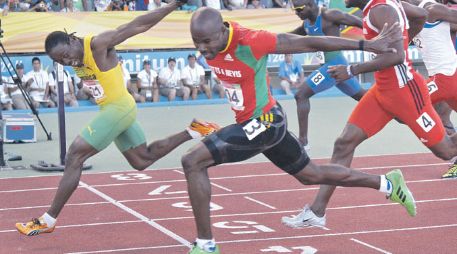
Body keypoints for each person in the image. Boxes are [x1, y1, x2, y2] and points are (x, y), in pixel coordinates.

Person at [182, 7, 414, 254]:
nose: (202, 49)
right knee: (310, 175)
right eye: (197, 42)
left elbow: (308, 42)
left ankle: (206, 245)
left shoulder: (250, 40)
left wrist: (365, 45)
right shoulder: (212, 43)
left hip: (266, 122)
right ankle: (387, 183)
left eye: (207, 42)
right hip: (261, 123)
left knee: (192, 161)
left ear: (221, 30)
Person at [15, 1, 220, 237]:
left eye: (65, 56)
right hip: (113, 110)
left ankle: (48, 219)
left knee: (74, 155)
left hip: (118, 108)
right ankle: (193, 130)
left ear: (72, 40)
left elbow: (139, 25)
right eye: (60, 61)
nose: (66, 61)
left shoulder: (97, 45)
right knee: (142, 160)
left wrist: (175, 4)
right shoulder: (75, 57)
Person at [281, 0, 457, 229]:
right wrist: (407, 36)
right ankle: (316, 212)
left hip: (405, 91)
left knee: (446, 150)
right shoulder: (381, 6)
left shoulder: (380, 10)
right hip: (383, 90)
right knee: (344, 143)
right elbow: (421, 15)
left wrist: (351, 70)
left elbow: (395, 56)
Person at [291, 0, 366, 150]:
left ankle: (303, 142)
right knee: (365, 98)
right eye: (295, 10)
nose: (297, 13)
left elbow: (363, 23)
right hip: (334, 69)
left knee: (301, 95)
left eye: (299, 9)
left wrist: (380, 39)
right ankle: (399, 113)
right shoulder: (306, 23)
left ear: (310, 4)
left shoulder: (330, 15)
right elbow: (290, 36)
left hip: (334, 66)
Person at [407, 0, 457, 178]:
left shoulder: (432, 9)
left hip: (446, 78)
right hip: (445, 77)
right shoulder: (411, 13)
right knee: (441, 115)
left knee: (407, 108)